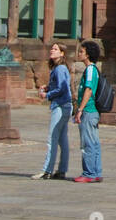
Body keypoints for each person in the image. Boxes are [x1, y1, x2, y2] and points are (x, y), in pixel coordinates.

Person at [32, 42, 72, 180]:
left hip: (60, 105)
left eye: (55, 49)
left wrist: (47, 95)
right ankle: (62, 170)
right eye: (52, 48)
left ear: (62, 53)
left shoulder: (60, 68)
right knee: (62, 139)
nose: (51, 50)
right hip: (65, 105)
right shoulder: (59, 68)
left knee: (52, 138)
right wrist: (48, 87)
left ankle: (47, 170)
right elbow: (60, 85)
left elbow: (62, 88)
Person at [73, 41, 103, 183]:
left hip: (89, 110)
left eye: (81, 52)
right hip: (92, 111)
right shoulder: (93, 69)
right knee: (94, 142)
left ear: (88, 54)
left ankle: (89, 173)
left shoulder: (90, 69)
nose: (79, 54)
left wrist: (80, 109)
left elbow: (88, 90)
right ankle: (96, 171)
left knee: (88, 143)